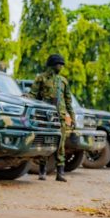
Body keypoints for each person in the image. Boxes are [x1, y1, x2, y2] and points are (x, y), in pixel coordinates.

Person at [27, 54, 75, 182]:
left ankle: (60, 173)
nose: (61, 67)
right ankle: (42, 170)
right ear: (52, 65)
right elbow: (33, 94)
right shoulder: (41, 78)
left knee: (61, 145)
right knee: (45, 142)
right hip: (46, 117)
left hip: (60, 116)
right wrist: (25, 97)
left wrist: (73, 118)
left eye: (62, 65)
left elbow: (68, 101)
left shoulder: (63, 81)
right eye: (59, 64)